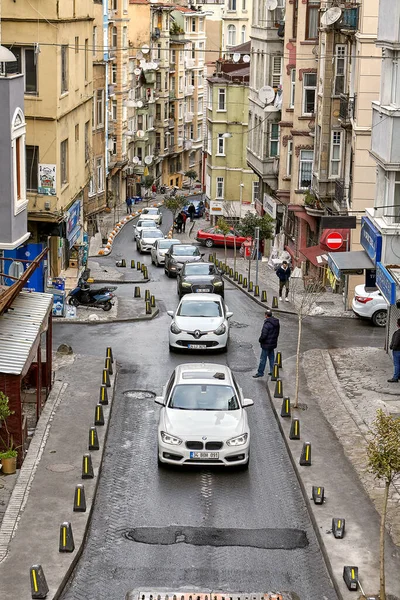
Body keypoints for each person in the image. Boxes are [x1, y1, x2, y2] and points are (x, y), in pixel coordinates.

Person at [253, 310, 280, 378]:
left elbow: (264, 335)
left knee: (263, 359)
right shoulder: (276, 323)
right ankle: (273, 371)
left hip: (266, 345)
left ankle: (260, 372)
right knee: (271, 358)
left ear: (266, 315)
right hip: (272, 344)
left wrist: (260, 340)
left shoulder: (267, 324)